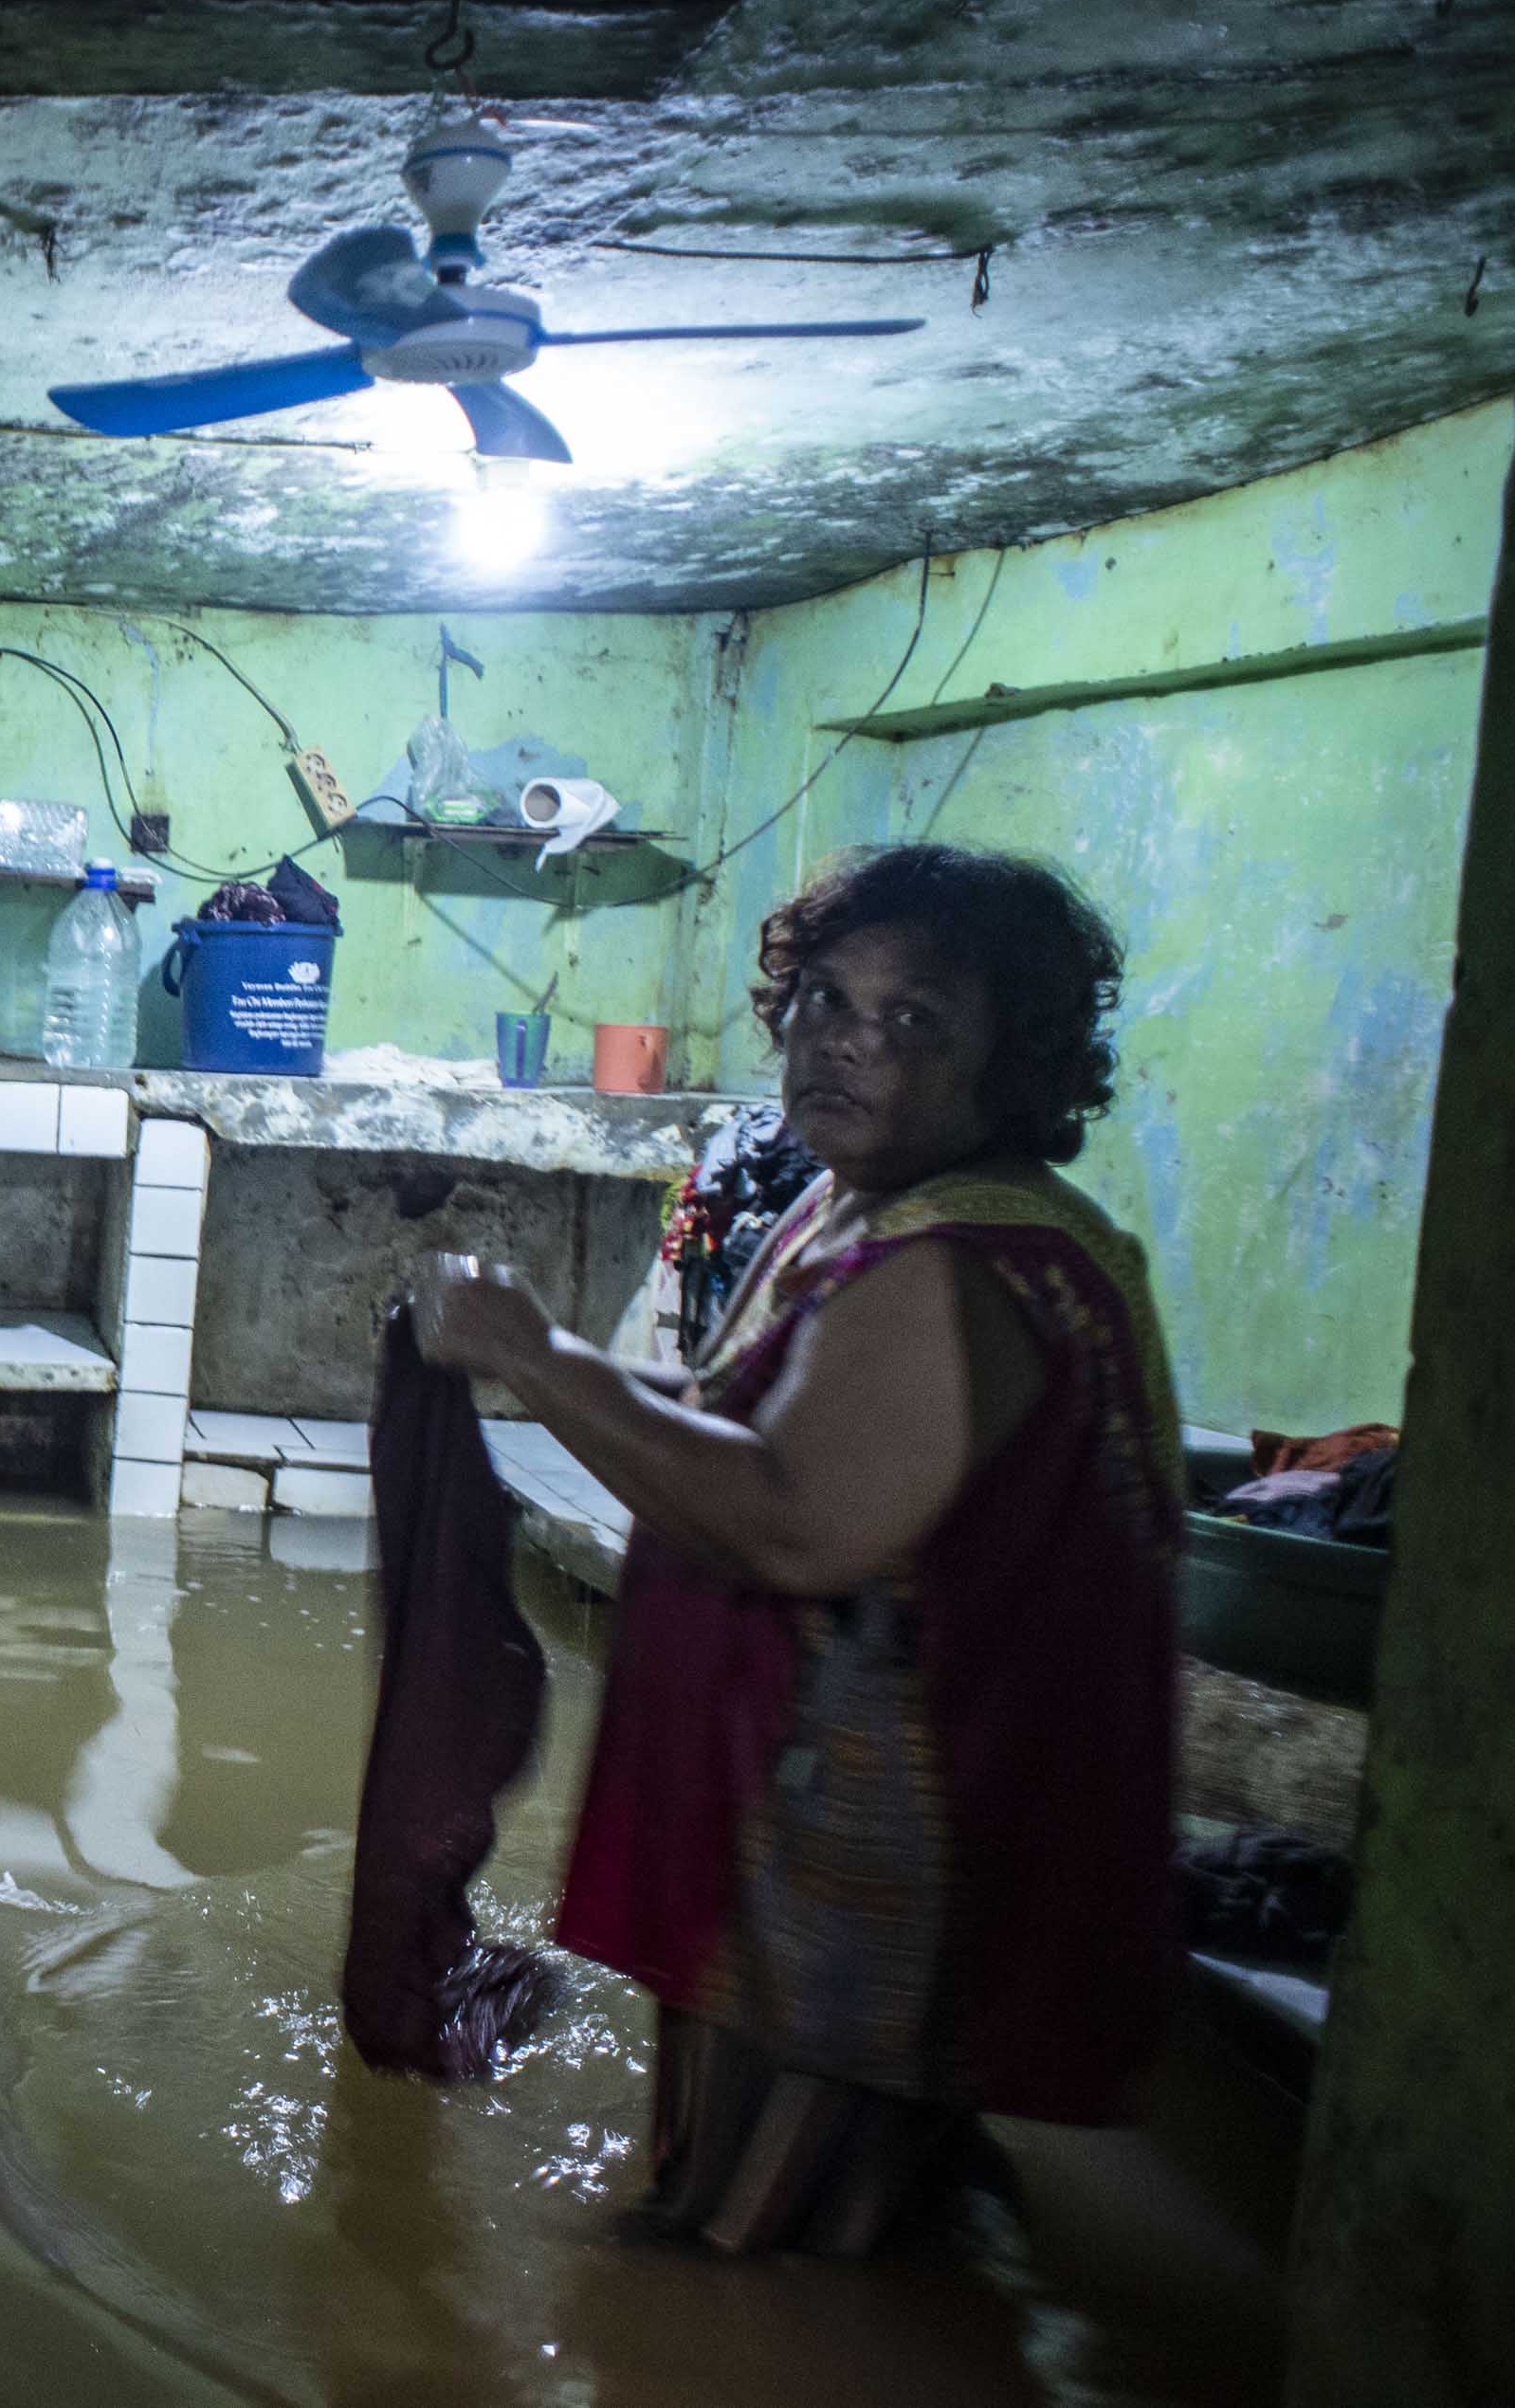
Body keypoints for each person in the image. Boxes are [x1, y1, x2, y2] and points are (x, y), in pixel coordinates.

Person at [413, 844, 1183, 2257]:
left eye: (913, 1018)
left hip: (878, 1857)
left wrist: (532, 1356)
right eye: (825, 997)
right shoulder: (868, 1209)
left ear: (1012, 1060)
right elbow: (728, 1413)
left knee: (777, 2247)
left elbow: (792, 1520)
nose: (844, 1041)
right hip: (815, 1815)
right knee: (815, 2200)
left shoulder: (955, 1265)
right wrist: (542, 1353)